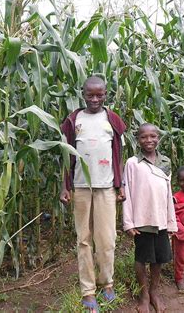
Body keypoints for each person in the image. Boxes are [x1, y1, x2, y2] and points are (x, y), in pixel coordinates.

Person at [60, 75, 126, 312]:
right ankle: (88, 291)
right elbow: (66, 156)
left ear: (106, 94)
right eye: (90, 95)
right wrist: (65, 186)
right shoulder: (73, 120)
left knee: (107, 240)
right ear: (83, 94)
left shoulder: (113, 120)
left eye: (100, 95)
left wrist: (121, 186)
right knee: (84, 240)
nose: (95, 99)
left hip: (106, 188)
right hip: (80, 188)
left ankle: (107, 283)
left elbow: (118, 155)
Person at [122, 123, 177, 313]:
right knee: (142, 258)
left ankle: (154, 292)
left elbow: (168, 193)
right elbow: (126, 192)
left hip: (161, 218)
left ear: (158, 138)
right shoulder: (132, 163)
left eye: (153, 136)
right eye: (144, 137)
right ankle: (144, 295)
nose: (149, 140)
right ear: (137, 140)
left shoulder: (166, 162)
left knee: (158, 259)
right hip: (142, 219)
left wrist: (171, 221)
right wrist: (128, 222)